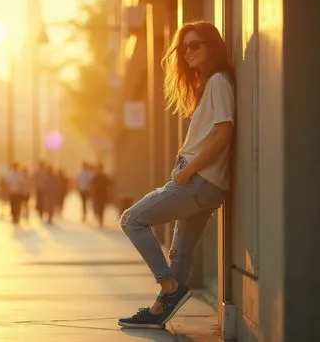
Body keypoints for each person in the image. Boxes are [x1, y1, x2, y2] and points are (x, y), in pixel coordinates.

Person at [118, 21, 236, 329]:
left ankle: (169, 287)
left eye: (196, 45)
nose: (188, 52)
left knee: (132, 219)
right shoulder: (208, 84)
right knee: (180, 251)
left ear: (213, 46)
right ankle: (159, 310)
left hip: (198, 180)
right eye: (184, 47)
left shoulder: (219, 82)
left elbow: (224, 133)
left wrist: (189, 171)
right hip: (205, 183)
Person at [90, 163, 110, 228]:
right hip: (99, 193)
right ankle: (99, 219)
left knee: (101, 206)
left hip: (101, 193)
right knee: (99, 206)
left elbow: (108, 183)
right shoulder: (97, 176)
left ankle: (100, 219)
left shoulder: (101, 176)